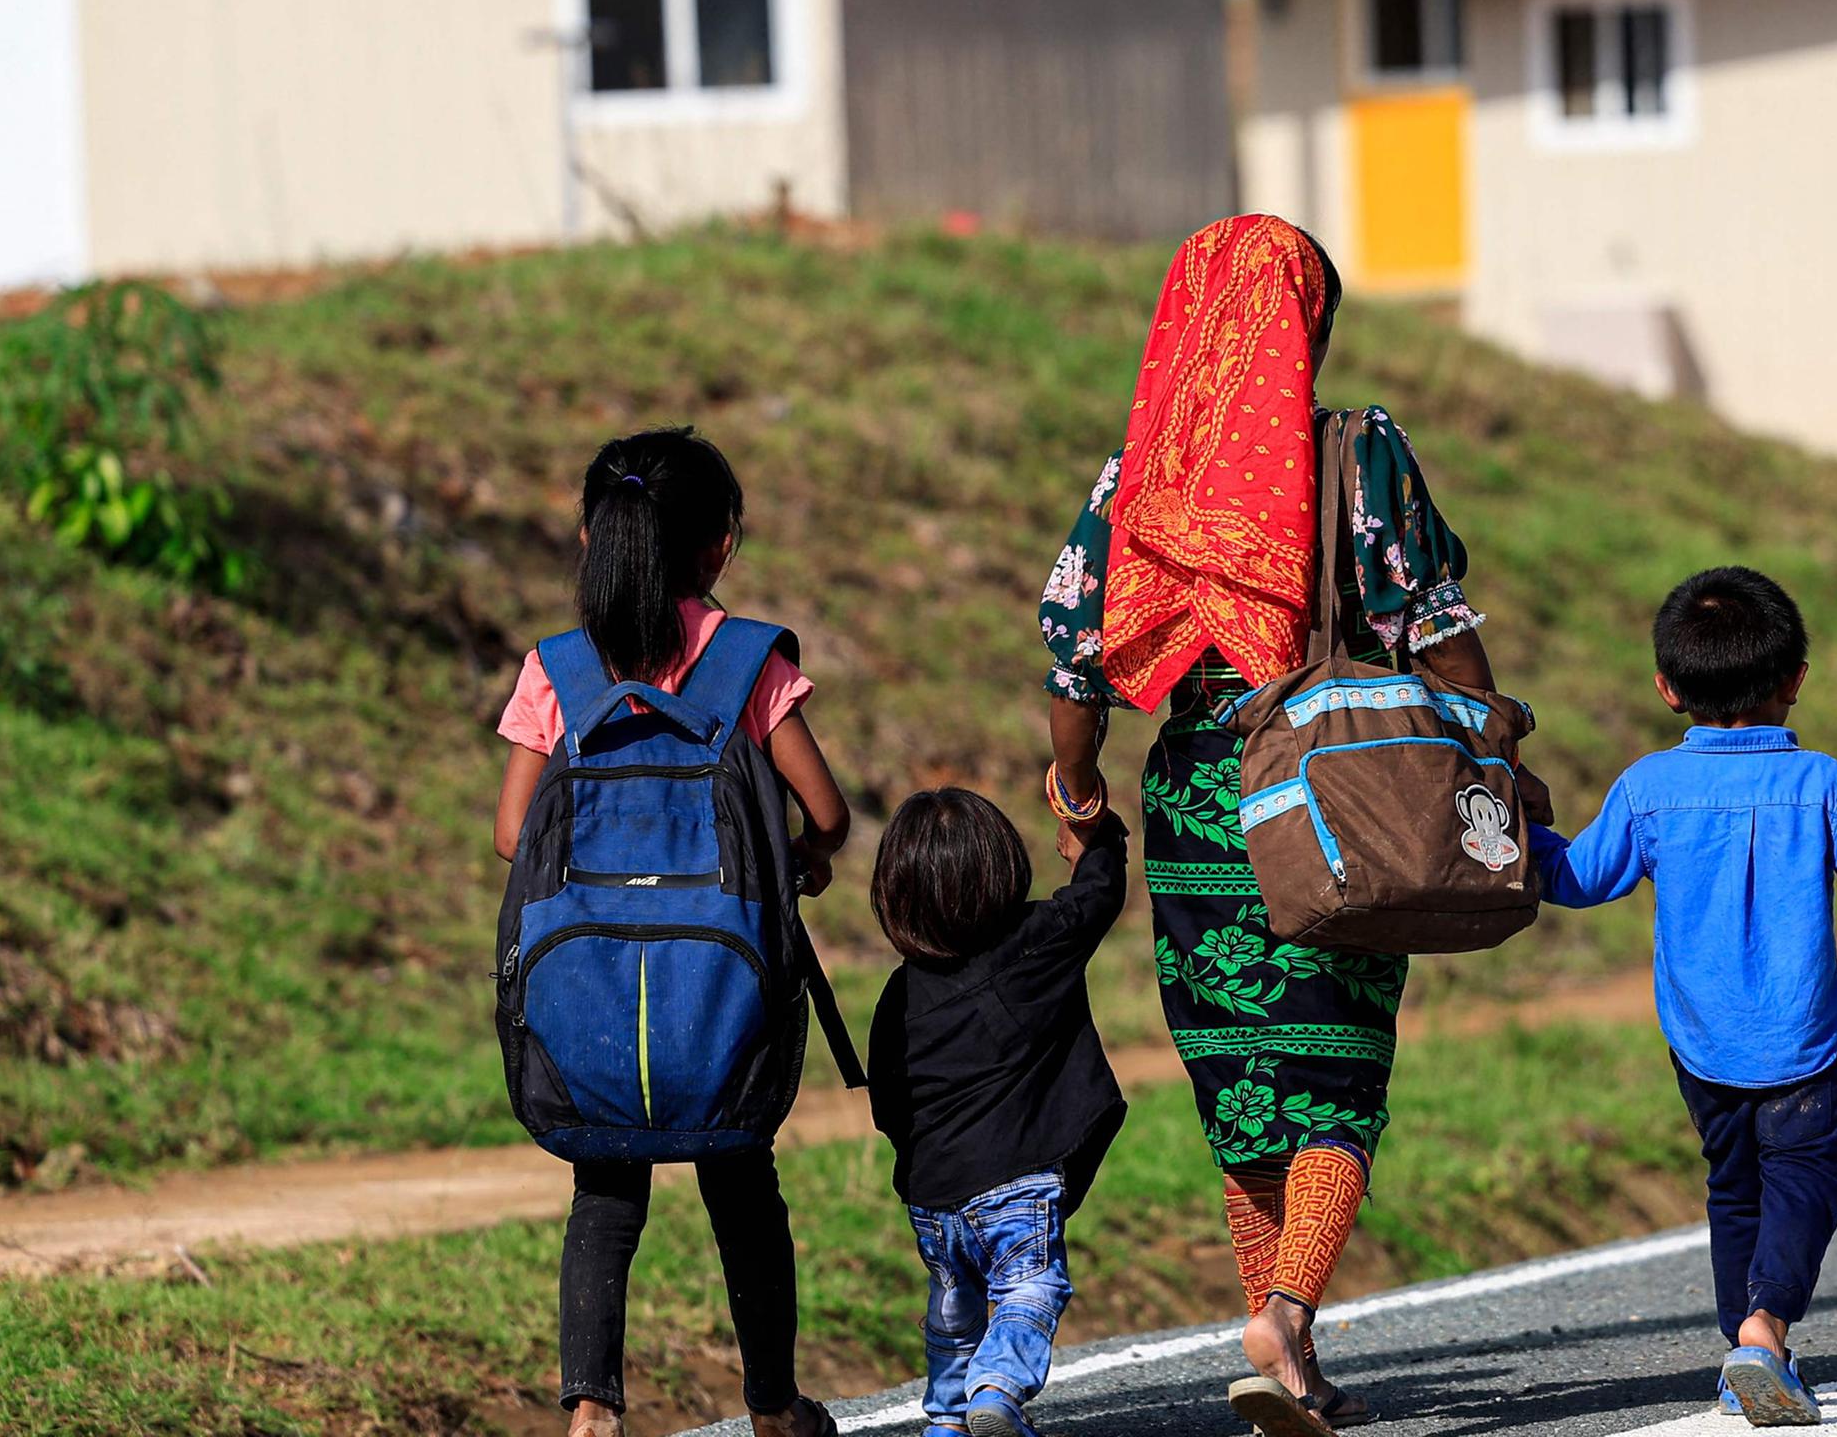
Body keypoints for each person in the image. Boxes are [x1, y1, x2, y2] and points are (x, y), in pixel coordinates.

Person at [1037, 214, 1523, 1437]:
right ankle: (1287, 1315)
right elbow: (1430, 619)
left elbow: (1075, 664)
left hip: (1198, 795)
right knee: (1334, 1078)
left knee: (1245, 1080)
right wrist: (1489, 727)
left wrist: (1077, 791)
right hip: (1323, 795)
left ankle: (1280, 1349)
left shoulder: (1136, 474)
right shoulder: (1358, 454)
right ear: (1306, 323)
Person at [1532, 566, 1837, 1429]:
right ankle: (1765, 1332)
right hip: (1799, 1042)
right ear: (1796, 679)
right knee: (1804, 1180)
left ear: (1666, 687)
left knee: (1734, 1189)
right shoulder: (1823, 783)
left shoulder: (1649, 787)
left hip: (1699, 1046)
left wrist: (1503, 826)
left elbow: (1577, 878)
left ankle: (1745, 1358)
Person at [492, 427, 851, 1437]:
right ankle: (775, 1411)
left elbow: (516, 833)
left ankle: (592, 1415)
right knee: (744, 1184)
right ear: (719, 549)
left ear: (585, 539)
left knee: (605, 1193)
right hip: (723, 998)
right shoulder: (747, 662)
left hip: (593, 992)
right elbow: (824, 813)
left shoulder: (558, 671)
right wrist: (803, 864)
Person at [866, 787, 1131, 1437]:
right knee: (1027, 1290)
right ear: (1001, 868)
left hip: (933, 1201)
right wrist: (1098, 836)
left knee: (953, 1315)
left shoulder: (899, 995)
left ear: (897, 896)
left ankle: (949, 1421)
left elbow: (888, 1103)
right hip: (1016, 1187)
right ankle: (999, 1387)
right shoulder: (1036, 942)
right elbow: (1099, 896)